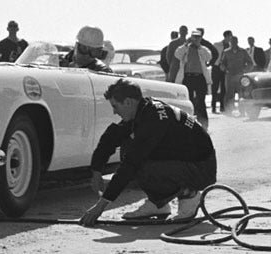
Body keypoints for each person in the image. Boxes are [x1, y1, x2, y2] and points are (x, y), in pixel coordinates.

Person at [79, 78, 216, 226]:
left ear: (128, 102)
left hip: (201, 169)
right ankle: (158, 204)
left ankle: (189, 195)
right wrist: (96, 171)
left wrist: (100, 206)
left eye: (115, 106)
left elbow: (131, 163)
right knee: (128, 147)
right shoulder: (142, 110)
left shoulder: (154, 119)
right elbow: (110, 138)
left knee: (136, 162)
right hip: (187, 162)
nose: (114, 112)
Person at [172, 29, 212, 129]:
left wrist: (199, 46)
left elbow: (208, 57)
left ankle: (204, 124)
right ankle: (188, 123)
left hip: (200, 77)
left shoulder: (203, 49)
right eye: (194, 37)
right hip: (188, 77)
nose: (196, 39)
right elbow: (177, 54)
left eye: (198, 37)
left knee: (201, 101)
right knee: (188, 101)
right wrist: (186, 44)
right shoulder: (185, 48)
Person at [219, 36, 253, 117]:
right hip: (229, 76)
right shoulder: (226, 52)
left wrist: (245, 70)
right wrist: (225, 69)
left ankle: (242, 112)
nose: (233, 43)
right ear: (230, 42)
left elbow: (250, 63)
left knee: (242, 94)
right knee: (229, 95)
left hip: (240, 76)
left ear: (237, 42)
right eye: (232, 41)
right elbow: (222, 64)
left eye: (235, 41)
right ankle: (229, 112)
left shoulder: (243, 51)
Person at [211, 31, 232, 114]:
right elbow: (211, 55)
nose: (231, 38)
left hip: (225, 69)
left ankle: (222, 107)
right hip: (216, 68)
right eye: (230, 36)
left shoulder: (230, 47)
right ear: (226, 36)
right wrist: (213, 64)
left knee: (224, 88)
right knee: (214, 88)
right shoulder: (216, 45)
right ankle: (213, 107)